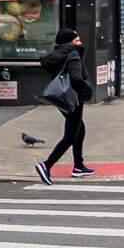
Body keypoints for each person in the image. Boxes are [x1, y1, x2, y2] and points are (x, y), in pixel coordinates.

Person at [33, 28, 95, 183]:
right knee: (70, 136)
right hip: (74, 99)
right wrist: (87, 87)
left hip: (62, 99)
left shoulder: (57, 55)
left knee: (80, 130)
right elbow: (75, 78)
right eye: (77, 41)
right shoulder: (72, 54)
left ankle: (79, 166)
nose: (80, 43)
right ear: (69, 42)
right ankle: (46, 165)